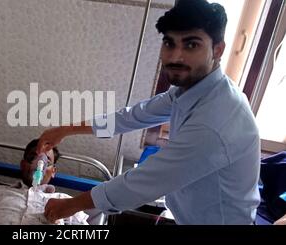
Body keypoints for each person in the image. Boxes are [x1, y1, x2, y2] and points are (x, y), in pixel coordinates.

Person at [39, 0, 261, 225]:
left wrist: (70, 205)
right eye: (169, 43)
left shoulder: (217, 121)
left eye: (191, 45)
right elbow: (131, 117)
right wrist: (66, 130)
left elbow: (142, 184)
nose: (175, 56)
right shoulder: (189, 90)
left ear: (218, 49)